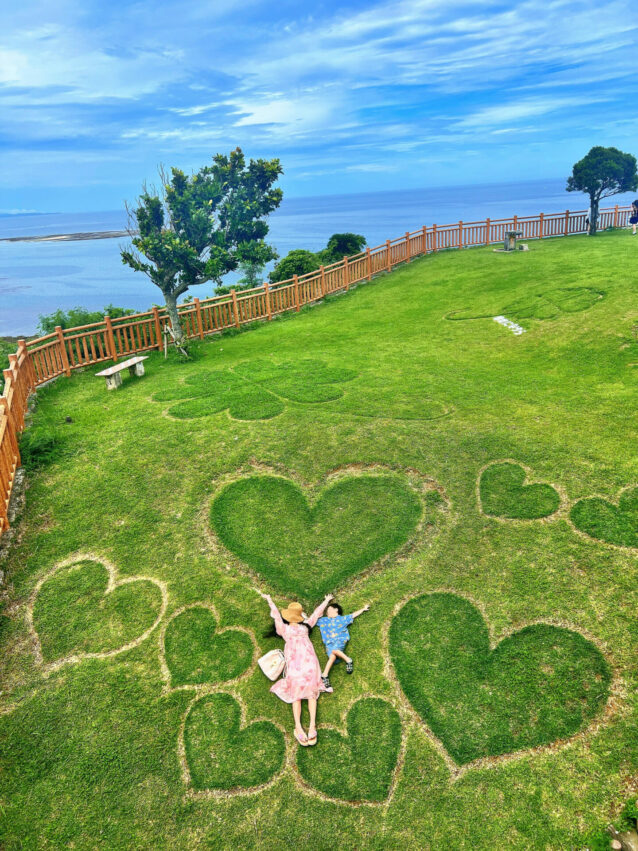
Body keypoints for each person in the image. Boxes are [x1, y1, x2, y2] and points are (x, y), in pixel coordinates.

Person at [256, 590, 333, 747]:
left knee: (303, 693)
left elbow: (315, 615)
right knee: (304, 693)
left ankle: (308, 726)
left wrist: (326, 602)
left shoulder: (295, 627)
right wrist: (269, 600)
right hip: (303, 661)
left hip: (306, 661)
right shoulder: (288, 628)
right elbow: (312, 615)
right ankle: (303, 726)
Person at [317, 601, 370, 691]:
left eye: (329, 609)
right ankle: (325, 675)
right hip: (329, 644)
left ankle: (348, 660)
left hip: (339, 641)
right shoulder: (324, 620)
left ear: (336, 609)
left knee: (334, 651)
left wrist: (363, 609)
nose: (327, 612)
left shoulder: (342, 619)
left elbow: (353, 615)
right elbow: (312, 620)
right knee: (332, 656)